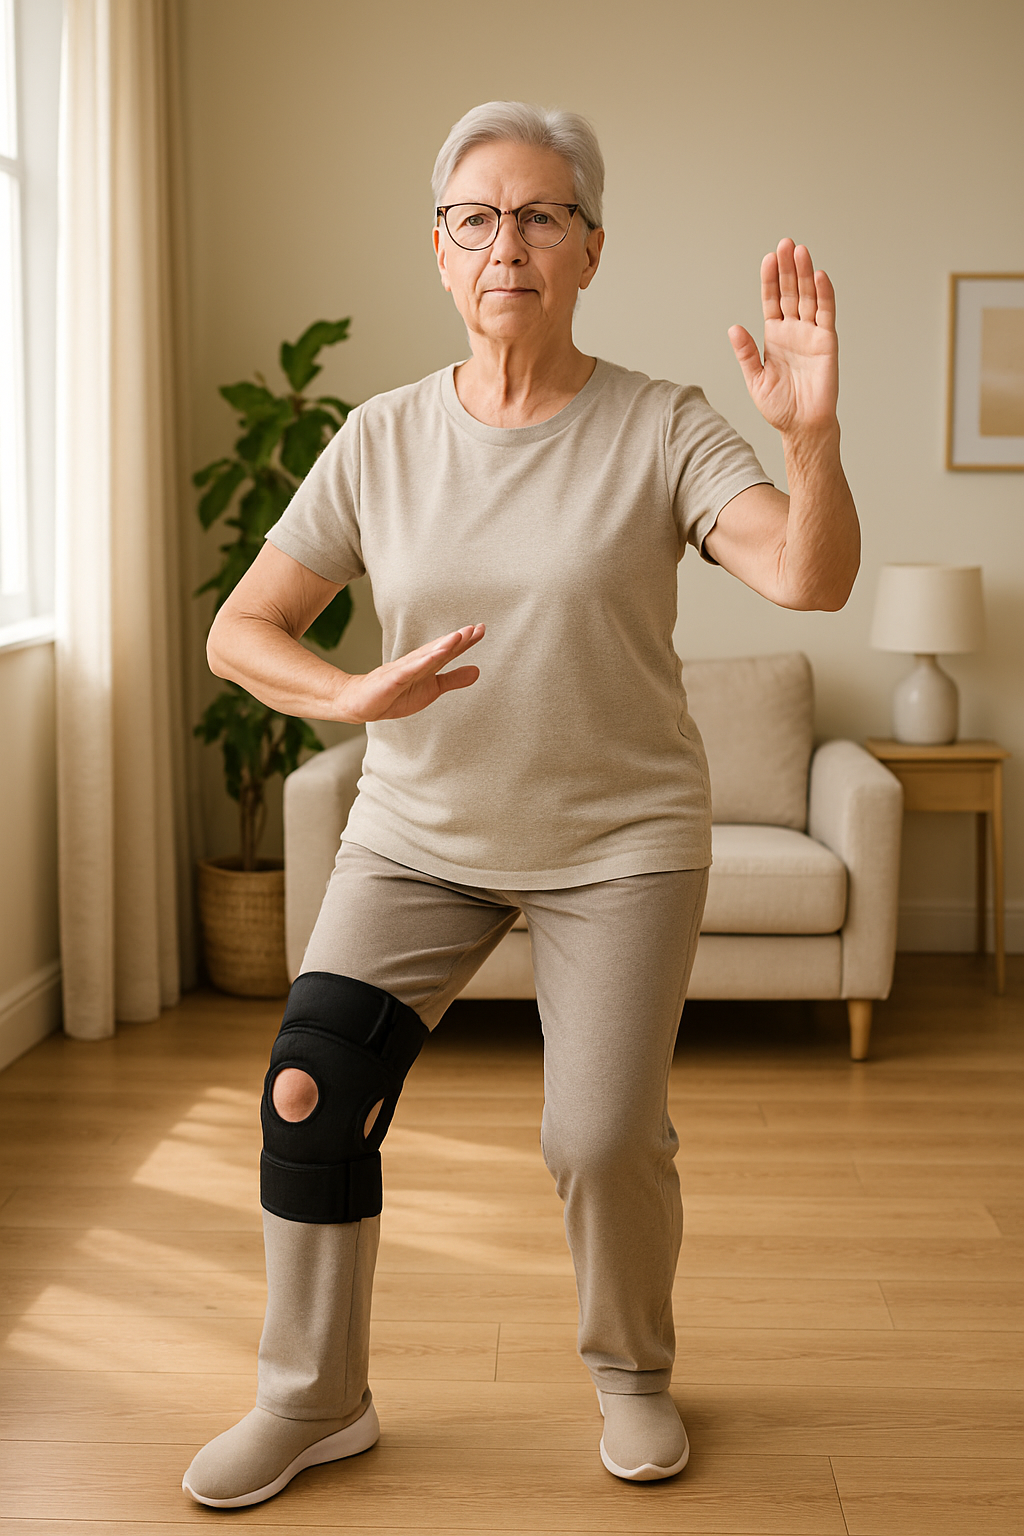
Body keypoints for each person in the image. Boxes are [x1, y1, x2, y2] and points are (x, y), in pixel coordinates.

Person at [182, 100, 859, 1509]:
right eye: (480, 217)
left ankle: (632, 1369)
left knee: (600, 1138)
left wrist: (810, 439)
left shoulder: (661, 424)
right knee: (310, 1092)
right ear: (440, 252)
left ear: (591, 251)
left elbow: (809, 578)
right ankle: (314, 1398)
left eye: (544, 214)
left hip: (620, 843)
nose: (510, 242)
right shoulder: (377, 440)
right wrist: (348, 696)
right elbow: (242, 632)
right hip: (419, 835)